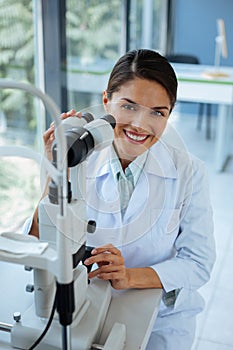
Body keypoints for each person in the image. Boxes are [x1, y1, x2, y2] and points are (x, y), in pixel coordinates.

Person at [27, 49, 216, 349]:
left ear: (169, 114)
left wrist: (129, 276)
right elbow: (36, 241)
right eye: (129, 106)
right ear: (106, 100)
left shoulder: (189, 172)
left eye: (157, 112)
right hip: (87, 303)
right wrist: (55, 170)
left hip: (162, 317)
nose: (140, 125)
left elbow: (199, 263)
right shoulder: (80, 157)